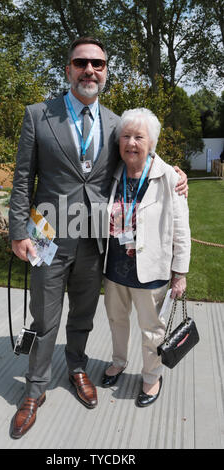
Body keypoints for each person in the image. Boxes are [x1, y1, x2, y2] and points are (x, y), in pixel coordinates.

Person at [9, 37, 188, 439]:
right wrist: (18, 231)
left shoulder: (114, 123)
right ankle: (34, 389)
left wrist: (176, 173)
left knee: (83, 315)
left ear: (106, 71)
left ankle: (76, 367)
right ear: (68, 67)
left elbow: (141, 151)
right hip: (47, 237)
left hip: (95, 240)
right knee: (44, 316)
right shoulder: (38, 115)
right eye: (81, 62)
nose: (90, 70)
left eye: (98, 64)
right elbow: (23, 181)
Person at [101, 108, 191, 407]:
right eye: (126, 136)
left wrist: (180, 273)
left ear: (151, 142)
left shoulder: (169, 177)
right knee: (116, 319)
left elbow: (181, 228)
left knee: (152, 329)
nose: (131, 143)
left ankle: (151, 376)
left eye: (139, 137)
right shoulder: (111, 172)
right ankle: (118, 361)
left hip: (151, 271)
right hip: (114, 268)